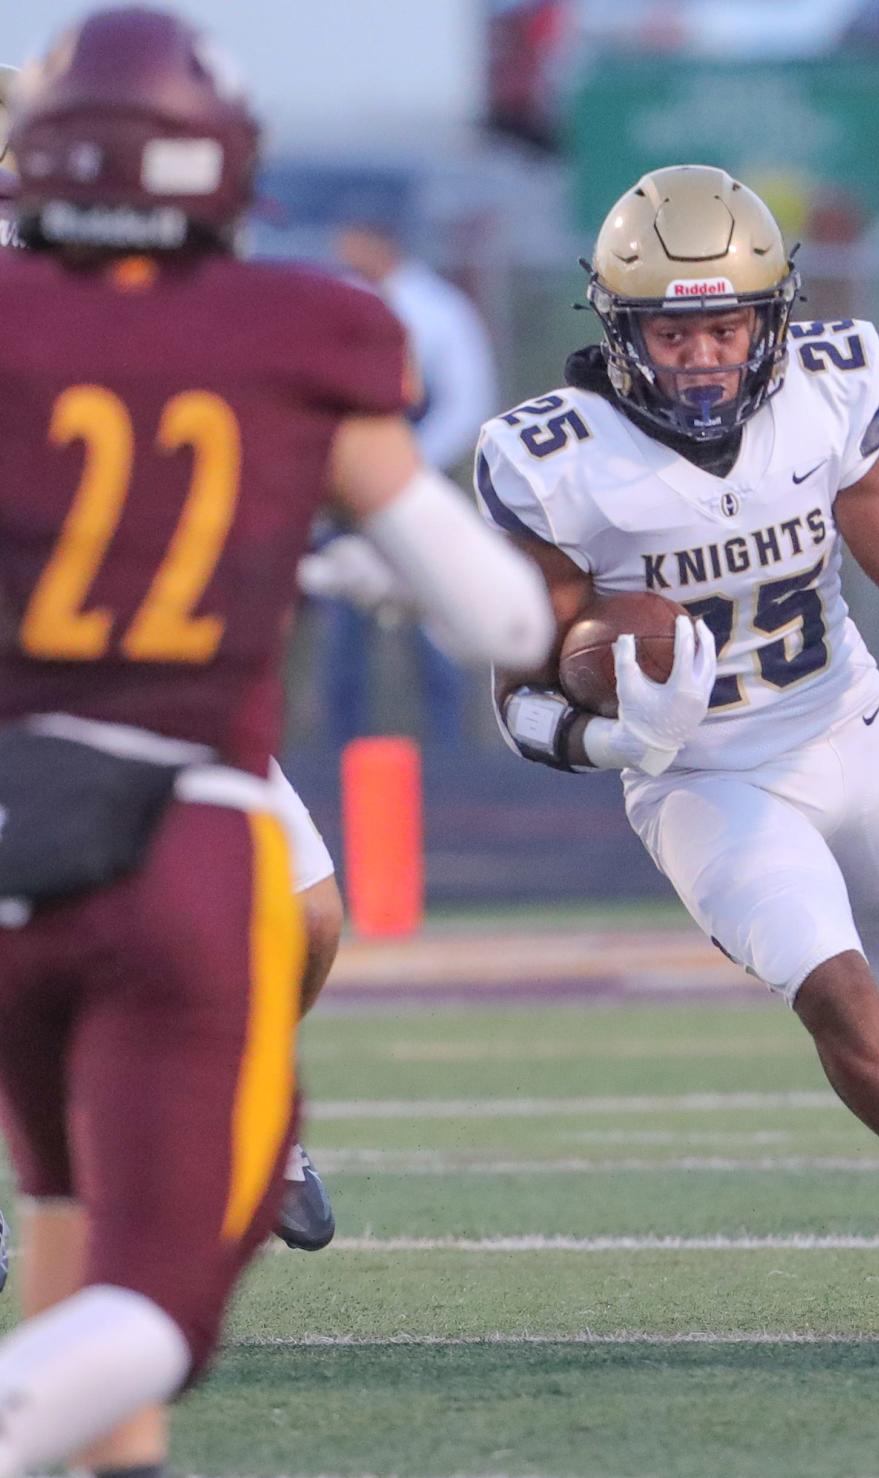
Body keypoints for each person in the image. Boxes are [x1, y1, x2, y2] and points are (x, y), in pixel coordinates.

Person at [0, 14, 553, 1478]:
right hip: (181, 837)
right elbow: (502, 618)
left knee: (65, 1198)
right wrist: (366, 557)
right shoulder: (291, 328)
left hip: (14, 827)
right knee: (171, 1288)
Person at [479, 165, 879, 1334]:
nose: (706, 355)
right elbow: (519, 698)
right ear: (623, 332)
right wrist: (621, 727)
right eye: (676, 331)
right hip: (707, 778)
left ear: (773, 319)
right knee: (838, 988)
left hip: (850, 726)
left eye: (727, 324)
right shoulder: (556, 458)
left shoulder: (832, 388)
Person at [319, 207, 501, 750]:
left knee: (434, 617)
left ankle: (449, 758)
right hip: (349, 492)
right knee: (345, 624)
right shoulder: (339, 301)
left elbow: (467, 401)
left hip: (420, 483)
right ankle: (336, 755)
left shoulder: (437, 309)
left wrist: (403, 463)